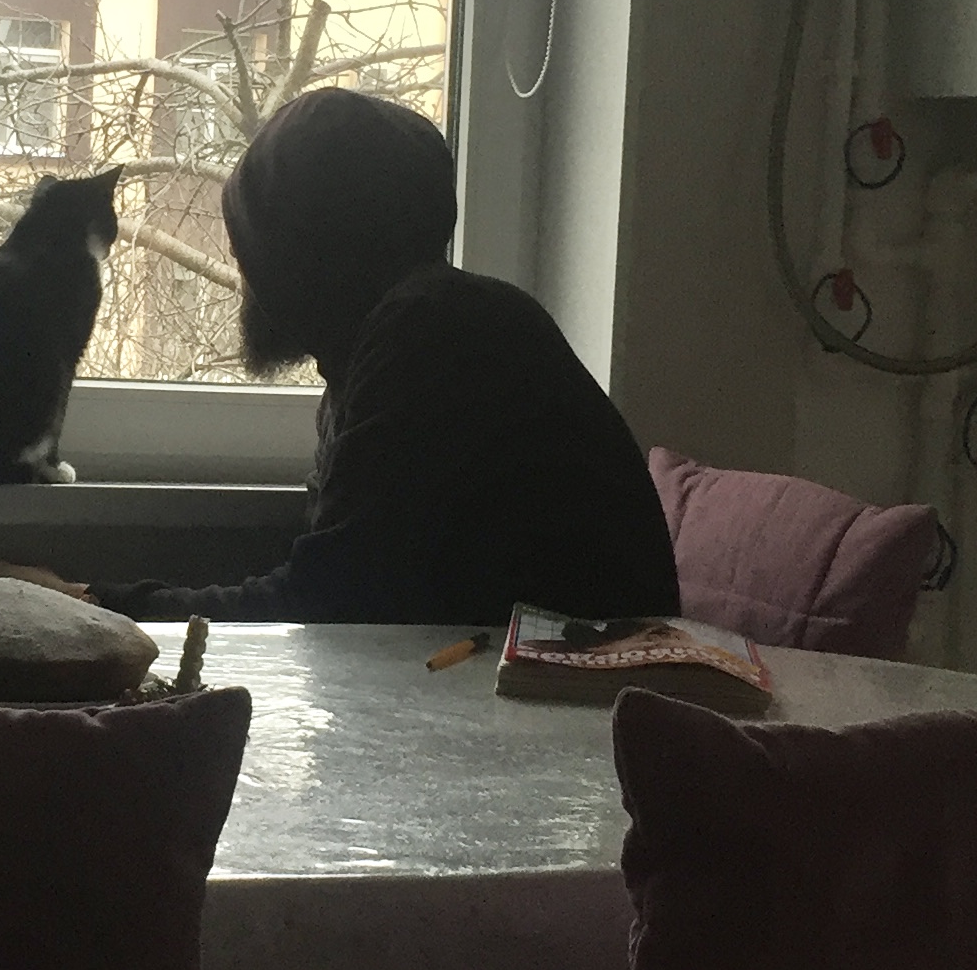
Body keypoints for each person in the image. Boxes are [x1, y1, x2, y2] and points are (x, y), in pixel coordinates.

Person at [107, 87, 676, 628]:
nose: (241, 270)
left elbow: (327, 604)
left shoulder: (429, 334)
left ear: (298, 255)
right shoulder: (406, 332)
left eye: (248, 245)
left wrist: (106, 607)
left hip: (582, 691)